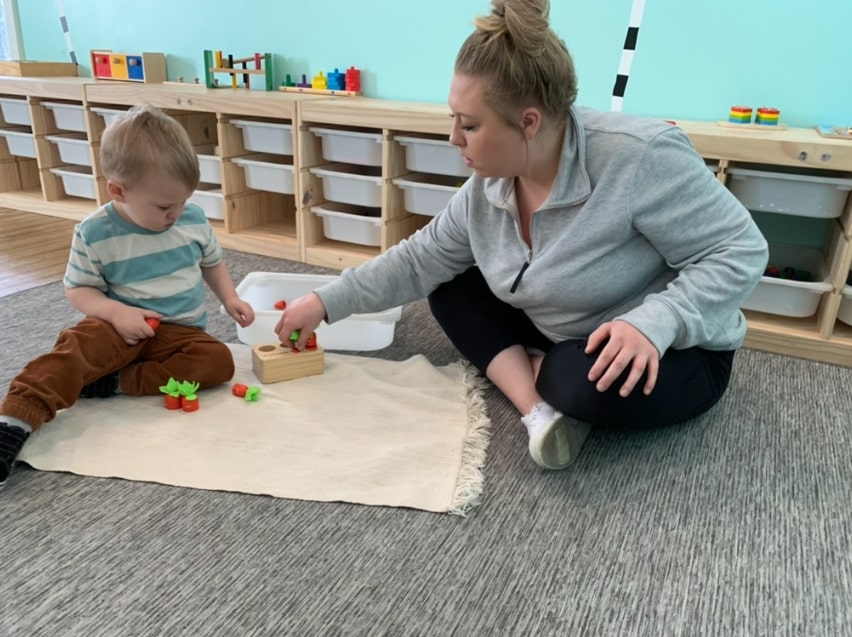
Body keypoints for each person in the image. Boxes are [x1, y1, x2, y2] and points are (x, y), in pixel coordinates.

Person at [278, 0, 769, 471]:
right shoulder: (487, 184)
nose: (453, 138)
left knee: (577, 382)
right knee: (448, 284)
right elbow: (418, 260)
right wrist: (325, 301)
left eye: (469, 124)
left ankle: (548, 379)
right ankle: (538, 408)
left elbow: (741, 251)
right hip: (560, 322)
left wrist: (655, 322)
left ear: (529, 122)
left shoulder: (640, 157)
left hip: (675, 349)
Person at [0, 104, 255, 489]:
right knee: (76, 349)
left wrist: (230, 297)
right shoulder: (95, 232)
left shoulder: (193, 220)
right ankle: (15, 420)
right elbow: (78, 289)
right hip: (119, 327)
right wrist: (116, 313)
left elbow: (211, 263)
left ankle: (114, 383)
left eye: (183, 202)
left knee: (217, 361)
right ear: (118, 190)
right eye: (165, 206)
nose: (177, 214)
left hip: (180, 335)